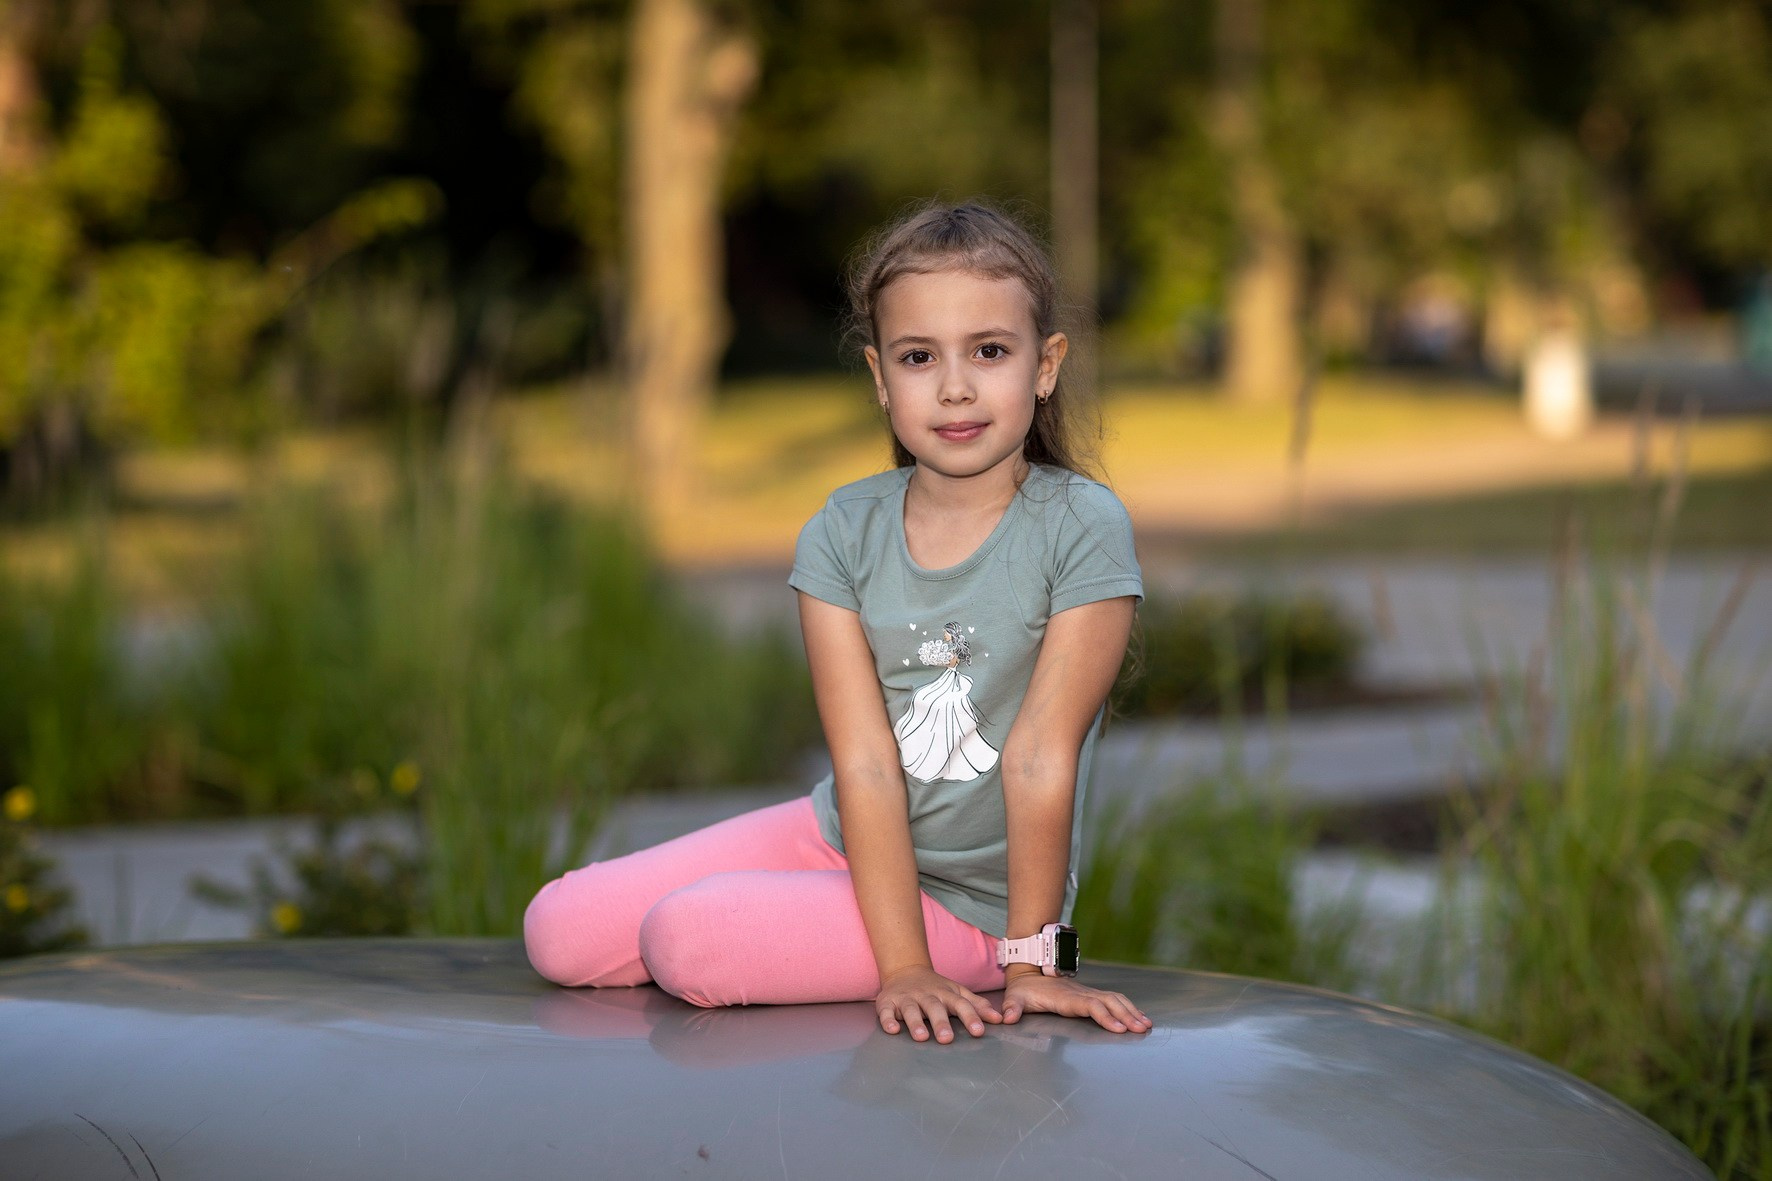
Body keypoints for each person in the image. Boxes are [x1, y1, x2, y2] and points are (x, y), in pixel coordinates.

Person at [523, 201, 1152, 1044]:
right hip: (842, 833)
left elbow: (1040, 758)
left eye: (990, 351)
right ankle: (839, 926)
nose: (956, 385)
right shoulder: (841, 531)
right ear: (880, 376)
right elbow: (863, 764)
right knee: (559, 927)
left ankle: (954, 949)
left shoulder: (1081, 525)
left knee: (688, 936)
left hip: (973, 912)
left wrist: (1033, 966)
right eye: (920, 356)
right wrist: (897, 965)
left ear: (1046, 365)